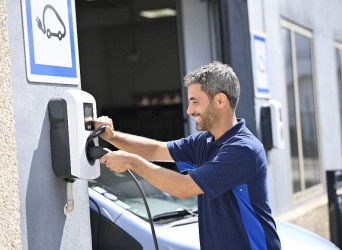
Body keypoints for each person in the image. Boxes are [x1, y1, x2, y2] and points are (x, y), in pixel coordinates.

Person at [94, 61, 281, 250]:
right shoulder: (204, 142)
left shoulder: (243, 150)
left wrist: (132, 162)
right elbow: (155, 150)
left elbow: (183, 188)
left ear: (220, 101)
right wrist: (112, 136)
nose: (189, 110)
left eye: (195, 101)